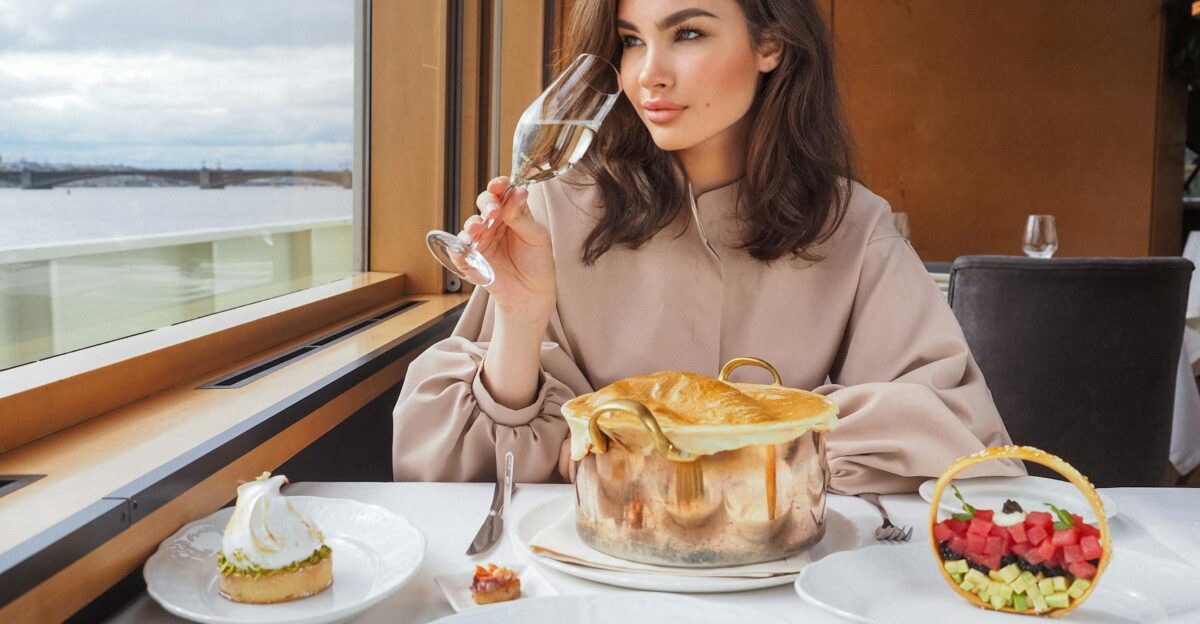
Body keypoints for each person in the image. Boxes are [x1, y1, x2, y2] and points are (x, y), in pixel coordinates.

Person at [393, 0, 1022, 492]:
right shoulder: (554, 210)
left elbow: (958, 432)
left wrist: (687, 448)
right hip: (592, 576)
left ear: (770, 43)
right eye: (633, 40)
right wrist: (520, 316)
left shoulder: (850, 222)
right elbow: (446, 475)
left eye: (687, 34)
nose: (649, 74)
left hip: (780, 575)